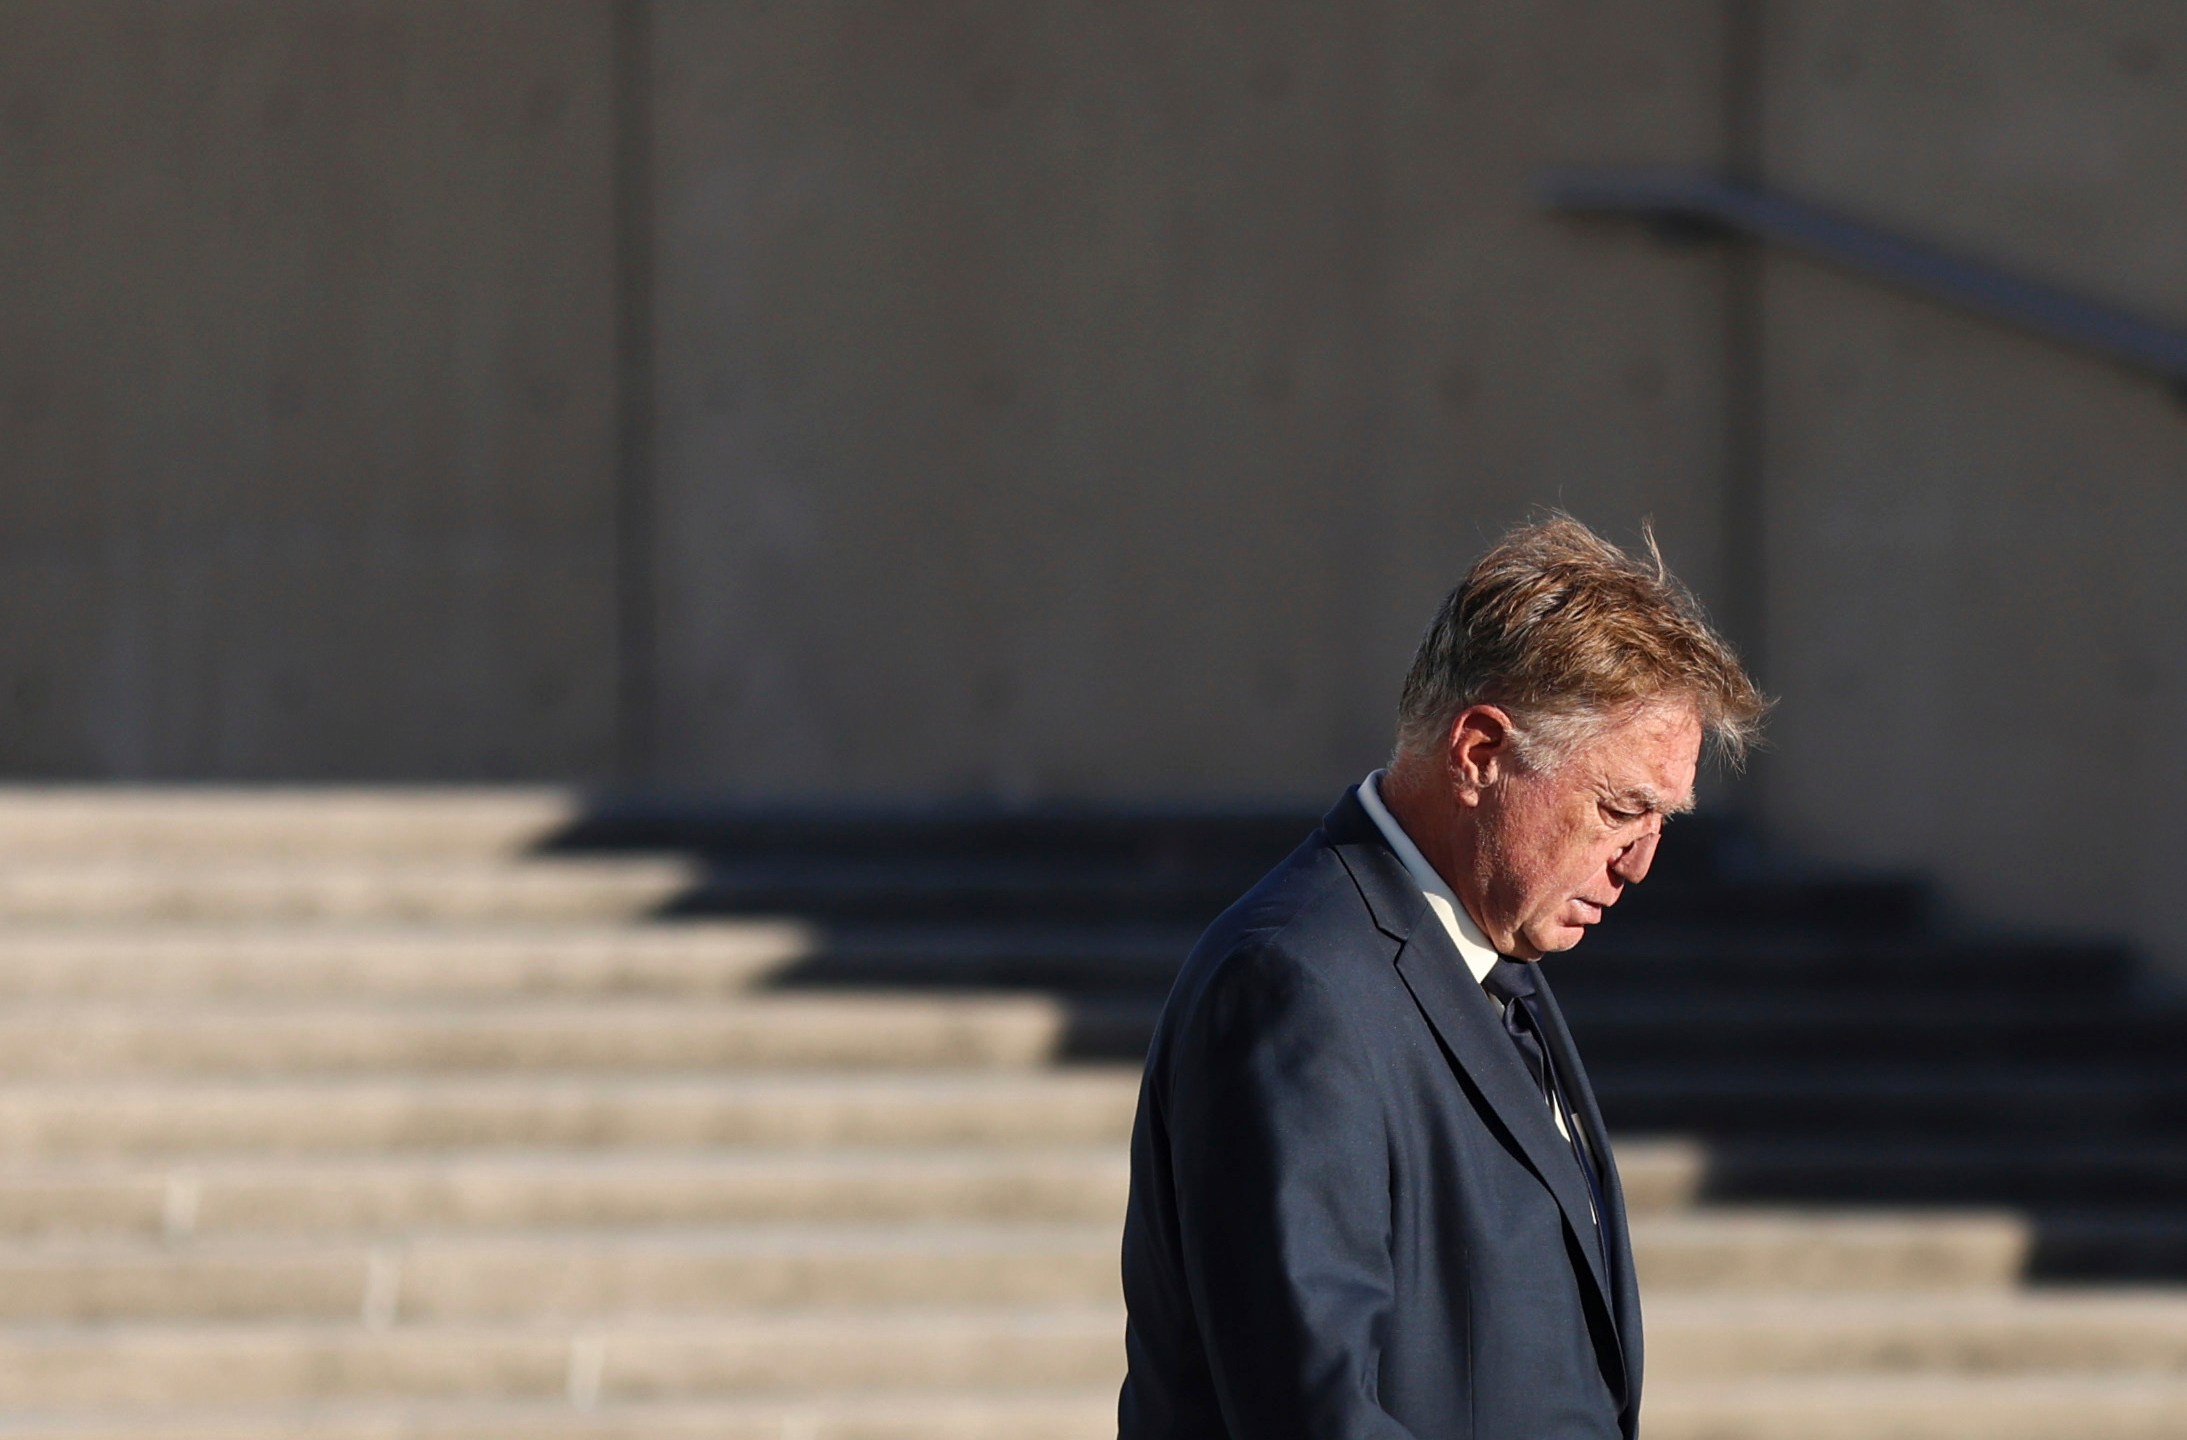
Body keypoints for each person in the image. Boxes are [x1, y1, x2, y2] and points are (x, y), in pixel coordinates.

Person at [1117, 514, 1766, 1440]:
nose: (1639, 865)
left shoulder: (1495, 962)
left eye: (1666, 819)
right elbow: (1314, 1415)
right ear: (1477, 754)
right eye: (1621, 809)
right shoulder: (1293, 986)